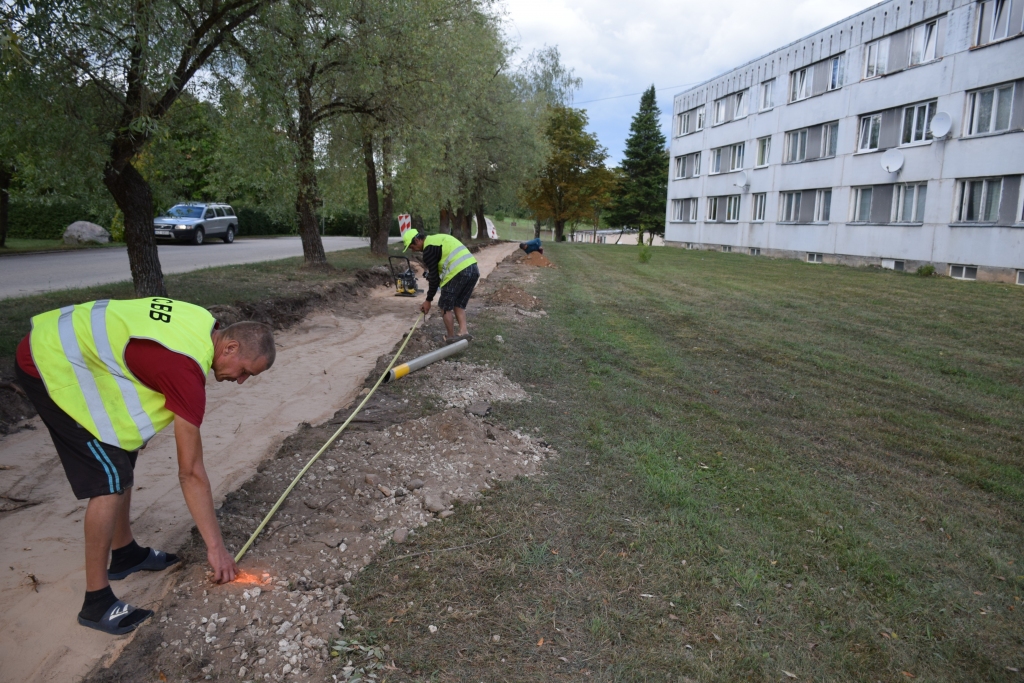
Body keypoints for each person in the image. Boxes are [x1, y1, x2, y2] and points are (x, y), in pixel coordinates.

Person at [14, 297, 276, 635]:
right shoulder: (185, 371)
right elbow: (191, 472)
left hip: (74, 346)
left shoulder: (201, 320)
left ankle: (125, 554)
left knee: (124, 449)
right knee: (109, 479)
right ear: (230, 348)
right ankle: (96, 603)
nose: (241, 381)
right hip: (46, 359)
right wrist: (217, 549)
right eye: (245, 372)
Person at [403, 228, 479, 343]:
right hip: (473, 269)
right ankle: (463, 332)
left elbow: (434, 279)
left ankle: (450, 337)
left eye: (412, 247)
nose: (413, 250)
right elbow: (438, 271)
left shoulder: (428, 250)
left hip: (459, 271)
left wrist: (428, 300)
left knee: (445, 305)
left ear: (417, 240)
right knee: (458, 303)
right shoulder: (437, 239)